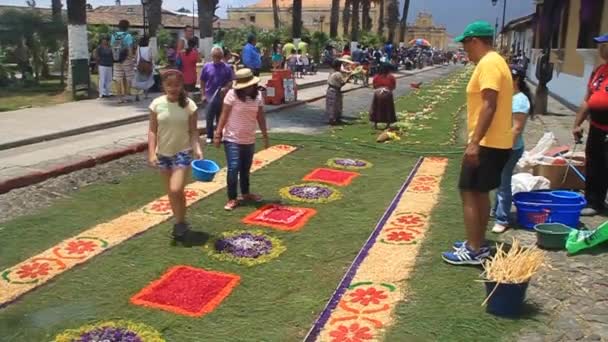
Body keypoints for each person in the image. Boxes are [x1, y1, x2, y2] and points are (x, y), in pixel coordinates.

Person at [442, 21, 513, 265]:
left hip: (488, 142)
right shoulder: (493, 62)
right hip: (494, 141)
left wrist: (475, 142)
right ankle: (477, 242)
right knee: (478, 192)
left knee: (470, 192)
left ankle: (473, 249)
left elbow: (489, 104)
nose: (464, 50)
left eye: (465, 44)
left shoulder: (489, 63)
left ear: (475, 41)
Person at [148, 70, 203, 240]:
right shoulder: (156, 104)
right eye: (169, 84)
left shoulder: (189, 105)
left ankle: (180, 221)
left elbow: (194, 131)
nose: (173, 88)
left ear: (182, 85)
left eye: (177, 85)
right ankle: (180, 222)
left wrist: (197, 149)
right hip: (163, 154)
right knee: (172, 193)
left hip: (182, 152)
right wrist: (151, 153)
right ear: (163, 85)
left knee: (176, 188)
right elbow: (152, 131)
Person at [214, 68, 269, 211]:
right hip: (232, 138)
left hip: (249, 138)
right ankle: (232, 198)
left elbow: (260, 117)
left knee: (245, 168)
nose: (248, 88)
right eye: (245, 86)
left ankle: (245, 193)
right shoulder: (231, 95)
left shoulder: (258, 97)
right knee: (233, 168)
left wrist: (265, 135)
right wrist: (218, 134)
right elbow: (224, 115)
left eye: (250, 85)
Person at [492, 65, 533, 233]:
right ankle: (496, 211)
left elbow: (516, 129)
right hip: (500, 145)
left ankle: (502, 219)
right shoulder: (507, 96)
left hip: (510, 147)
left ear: (516, 80)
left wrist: (506, 149)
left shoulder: (520, 100)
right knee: (498, 180)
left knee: (503, 182)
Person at [572, 33, 608, 216]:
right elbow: (588, 99)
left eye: (604, 45)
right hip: (596, 127)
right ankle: (594, 202)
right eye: (600, 46)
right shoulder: (600, 71)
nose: (600, 50)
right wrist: (577, 124)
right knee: (594, 165)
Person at [200, 47, 235, 144]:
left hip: (222, 97)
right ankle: (209, 136)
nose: (217, 58)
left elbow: (231, 81)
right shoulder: (206, 67)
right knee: (209, 117)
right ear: (212, 56)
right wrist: (203, 94)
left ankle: (220, 135)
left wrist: (226, 88)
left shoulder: (227, 67)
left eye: (219, 56)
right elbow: (202, 81)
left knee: (221, 117)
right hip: (209, 96)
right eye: (215, 56)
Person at [111, 20, 135, 104]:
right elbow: (129, 48)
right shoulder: (128, 36)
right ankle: (126, 96)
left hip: (116, 59)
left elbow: (112, 47)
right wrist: (131, 58)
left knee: (118, 79)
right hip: (126, 59)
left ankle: (119, 98)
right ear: (127, 27)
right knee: (128, 78)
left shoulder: (113, 35)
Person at [326, 59, 354, 125]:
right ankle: (334, 119)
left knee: (331, 105)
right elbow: (342, 83)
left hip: (330, 89)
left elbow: (343, 71)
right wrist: (349, 77)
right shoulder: (338, 74)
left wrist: (348, 72)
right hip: (335, 90)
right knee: (336, 105)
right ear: (338, 66)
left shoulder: (332, 72)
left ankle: (332, 118)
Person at [369, 63, 397, 130]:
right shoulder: (391, 77)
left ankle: (375, 123)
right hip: (387, 92)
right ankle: (388, 124)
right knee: (388, 109)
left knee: (376, 108)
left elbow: (374, 85)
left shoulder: (376, 76)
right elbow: (393, 86)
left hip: (377, 92)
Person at [132, 35, 155, 101]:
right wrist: (152, 65)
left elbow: (136, 58)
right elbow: (150, 58)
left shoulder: (138, 48)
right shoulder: (149, 49)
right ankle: (146, 95)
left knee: (138, 81)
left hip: (140, 66)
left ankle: (137, 94)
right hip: (147, 66)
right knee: (147, 80)